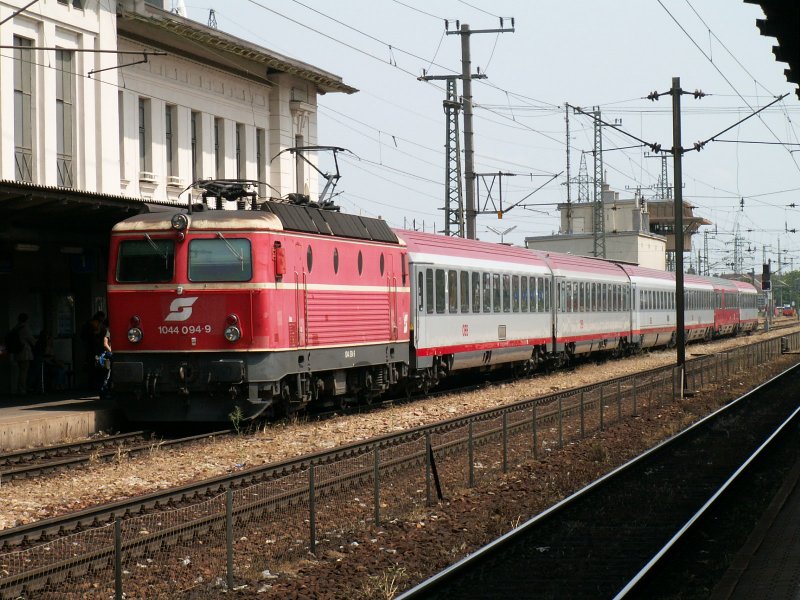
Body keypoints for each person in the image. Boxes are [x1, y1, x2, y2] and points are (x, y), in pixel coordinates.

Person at [10, 313, 36, 395]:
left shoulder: (15, 328)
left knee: (21, 371)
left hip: (17, 352)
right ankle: (22, 389)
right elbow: (31, 340)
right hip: (25, 352)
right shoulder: (25, 328)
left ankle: (20, 388)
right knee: (24, 372)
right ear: (26, 319)